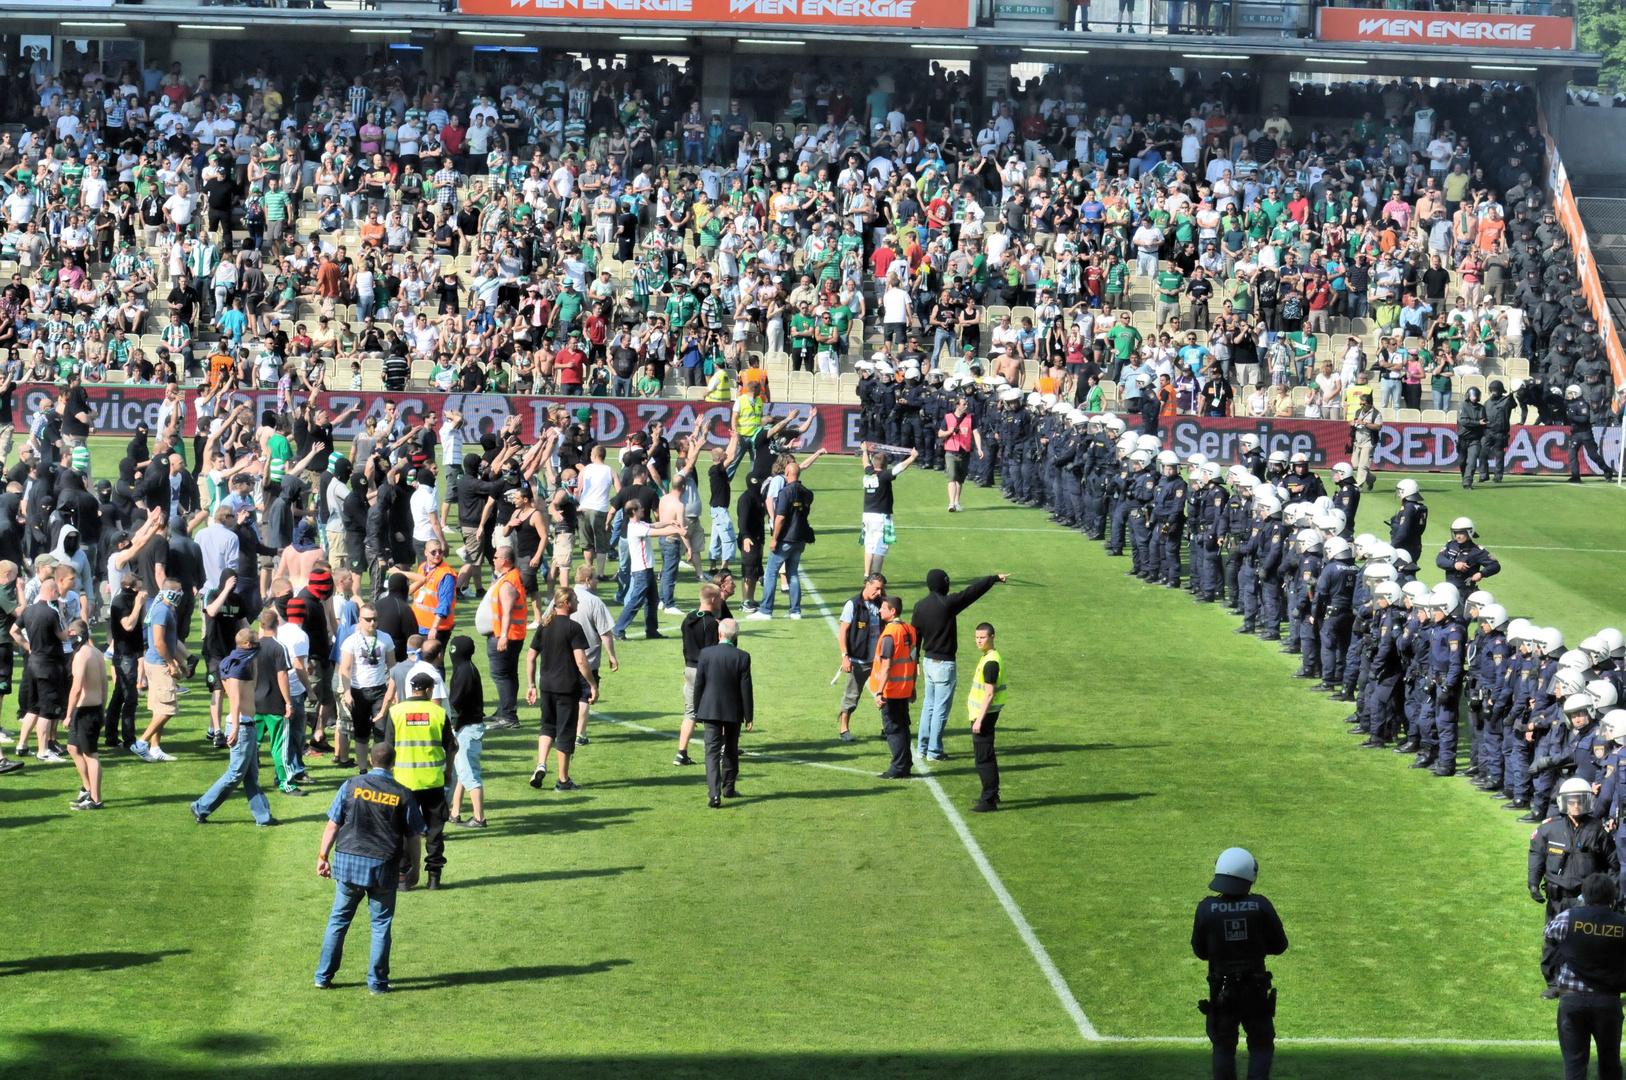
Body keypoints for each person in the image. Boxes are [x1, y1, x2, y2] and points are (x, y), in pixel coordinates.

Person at [314, 742, 427, 995]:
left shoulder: (351, 785)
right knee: (380, 927)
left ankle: (323, 977)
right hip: (383, 868)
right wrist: (416, 868)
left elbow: (333, 825)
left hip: (348, 865)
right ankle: (377, 984)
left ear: (371, 760)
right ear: (393, 763)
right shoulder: (403, 793)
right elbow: (413, 836)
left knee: (338, 921)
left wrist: (323, 856)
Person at [1192, 848, 1289, 1080]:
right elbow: (1280, 945)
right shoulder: (1261, 905)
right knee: (1261, 1045)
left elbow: (1200, 951)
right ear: (1249, 875)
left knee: (1223, 1047)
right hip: (1255, 991)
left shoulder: (1206, 908)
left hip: (1221, 992)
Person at [910, 568, 1009, 762]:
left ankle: (922, 748)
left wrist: (915, 661)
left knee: (928, 706)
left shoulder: (919, 606)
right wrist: (993, 578)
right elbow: (972, 592)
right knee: (940, 709)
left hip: (928, 663)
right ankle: (934, 751)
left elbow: (915, 638)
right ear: (943, 584)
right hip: (944, 665)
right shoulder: (947, 604)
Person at [189, 627, 279, 827]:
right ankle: (201, 806)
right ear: (247, 645)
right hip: (242, 727)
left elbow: (239, 687)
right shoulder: (240, 666)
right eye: (256, 644)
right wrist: (236, 729)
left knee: (251, 776)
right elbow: (236, 699)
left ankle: (264, 817)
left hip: (246, 725)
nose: (259, 647)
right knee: (235, 773)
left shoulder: (232, 660)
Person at [1543, 872, 1626, 1080]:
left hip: (1572, 1001)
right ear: (1612, 896)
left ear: (1584, 894)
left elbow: (1549, 934)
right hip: (1608, 1002)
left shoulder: (1569, 918)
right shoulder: (1622, 924)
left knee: (1574, 1064)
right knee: (1610, 1065)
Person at [384, 670, 455, 891]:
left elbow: (387, 749)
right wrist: (449, 772)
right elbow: (451, 746)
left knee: (404, 831)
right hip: (432, 782)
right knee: (434, 831)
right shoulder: (438, 713)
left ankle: (403, 878)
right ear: (428, 690)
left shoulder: (395, 712)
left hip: (403, 783)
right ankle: (434, 878)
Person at [526, 586, 597, 792]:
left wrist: (531, 684)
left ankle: (541, 763)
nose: (577, 602)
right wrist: (592, 684)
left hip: (546, 686)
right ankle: (563, 781)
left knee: (547, 726)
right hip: (567, 688)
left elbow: (530, 657)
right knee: (565, 732)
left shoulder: (544, 626)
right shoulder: (573, 627)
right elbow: (581, 661)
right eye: (575, 599)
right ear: (566, 603)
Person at [1531, 777, 1619, 923]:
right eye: (1572, 801)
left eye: (1580, 801)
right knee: (1553, 942)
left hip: (1587, 902)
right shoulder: (1549, 829)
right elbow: (1537, 855)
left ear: (1588, 801)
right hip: (1556, 902)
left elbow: (1612, 865)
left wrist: (1613, 896)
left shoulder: (1598, 831)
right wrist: (1533, 884)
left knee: (1584, 943)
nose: (1576, 805)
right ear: (1564, 802)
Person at [693, 617, 754, 808]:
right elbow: (746, 688)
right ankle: (728, 788)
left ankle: (714, 795)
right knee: (731, 749)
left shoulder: (706, 654)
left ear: (719, 633)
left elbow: (699, 685)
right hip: (733, 711)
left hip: (710, 710)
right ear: (736, 636)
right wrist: (749, 715)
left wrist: (697, 711)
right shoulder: (742, 656)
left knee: (711, 752)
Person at [337, 604, 394, 772]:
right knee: (361, 734)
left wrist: (393, 691)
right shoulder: (351, 641)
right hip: (358, 691)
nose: (372, 623)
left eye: (375, 619)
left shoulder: (385, 638)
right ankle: (363, 769)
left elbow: (392, 666)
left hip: (380, 691)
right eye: (368, 620)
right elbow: (345, 669)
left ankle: (379, 769)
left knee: (381, 731)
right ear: (360, 620)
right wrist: (347, 693)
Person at [869, 594, 918, 779]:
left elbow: (886, 666)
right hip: (904, 688)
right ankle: (905, 763)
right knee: (904, 727)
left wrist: (880, 691)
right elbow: (913, 660)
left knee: (894, 729)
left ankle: (898, 767)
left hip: (890, 690)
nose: (880, 610)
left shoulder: (890, 634)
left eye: (883, 608)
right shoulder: (910, 630)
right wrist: (912, 687)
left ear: (892, 611)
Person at [62, 618, 106, 810]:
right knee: (72, 748)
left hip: (85, 712)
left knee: (90, 755)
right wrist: (102, 708)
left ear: (74, 634)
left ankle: (96, 799)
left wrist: (68, 714)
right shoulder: (96, 652)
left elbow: (77, 687)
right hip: (93, 709)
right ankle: (87, 789)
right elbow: (105, 684)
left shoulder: (82, 655)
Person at [838, 573, 886, 742]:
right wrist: (845, 656)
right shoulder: (853, 605)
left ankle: (885, 728)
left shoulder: (881, 604)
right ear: (867, 584)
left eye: (881, 589)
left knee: (884, 694)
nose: (879, 592)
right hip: (858, 660)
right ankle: (844, 730)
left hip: (879, 661)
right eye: (876, 588)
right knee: (852, 695)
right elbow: (843, 631)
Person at [446, 635, 487, 828]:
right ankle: (454, 813)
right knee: (460, 772)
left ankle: (479, 818)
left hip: (467, 729)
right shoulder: (466, 668)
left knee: (469, 773)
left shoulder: (463, 672)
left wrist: (447, 723)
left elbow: (455, 702)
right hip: (467, 727)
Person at [967, 622, 1007, 813]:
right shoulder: (989, 657)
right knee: (986, 756)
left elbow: (989, 694)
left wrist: (979, 720)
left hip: (984, 716)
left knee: (984, 759)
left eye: (982, 637)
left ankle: (989, 799)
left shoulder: (990, 662)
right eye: (977, 637)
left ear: (992, 637)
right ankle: (992, 795)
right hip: (984, 715)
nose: (979, 641)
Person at [860, 444, 917, 577]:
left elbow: (864, 462)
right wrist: (912, 458)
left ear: (874, 464)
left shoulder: (869, 473)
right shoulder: (884, 476)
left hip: (867, 515)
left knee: (869, 546)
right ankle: (876, 576)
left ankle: (867, 574)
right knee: (880, 547)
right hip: (881, 517)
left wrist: (864, 450)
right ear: (885, 465)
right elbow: (899, 468)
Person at [938, 396, 982, 513]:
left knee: (960, 479)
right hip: (951, 451)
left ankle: (957, 502)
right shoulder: (948, 418)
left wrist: (979, 448)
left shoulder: (971, 418)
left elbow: (976, 434)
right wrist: (949, 431)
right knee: (951, 477)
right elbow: (940, 433)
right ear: (957, 406)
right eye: (964, 404)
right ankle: (951, 503)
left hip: (964, 452)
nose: (966, 406)